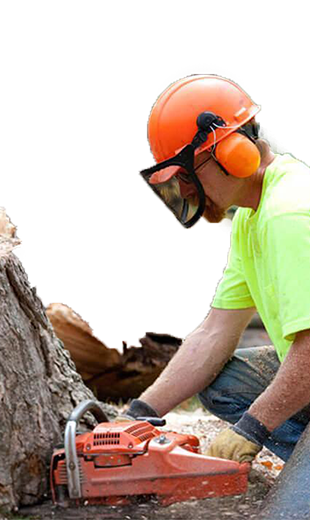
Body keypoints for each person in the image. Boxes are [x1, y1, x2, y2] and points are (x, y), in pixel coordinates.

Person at [121, 74, 310, 464]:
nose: (186, 190)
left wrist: (253, 427)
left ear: (232, 152)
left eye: (187, 174)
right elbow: (214, 333)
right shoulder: (253, 216)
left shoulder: (288, 214)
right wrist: (138, 414)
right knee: (224, 382)